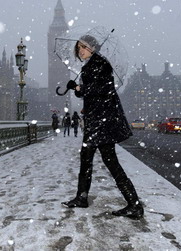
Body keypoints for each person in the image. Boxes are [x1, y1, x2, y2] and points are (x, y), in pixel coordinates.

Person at [61, 34, 144, 220]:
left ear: (92, 47)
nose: (80, 51)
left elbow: (104, 90)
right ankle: (84, 197)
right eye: (78, 48)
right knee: (92, 159)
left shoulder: (101, 64)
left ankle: (134, 204)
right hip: (97, 120)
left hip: (102, 121)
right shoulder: (90, 65)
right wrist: (76, 88)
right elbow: (89, 93)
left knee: (105, 161)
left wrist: (80, 89)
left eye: (83, 47)